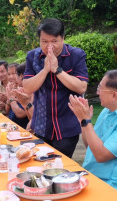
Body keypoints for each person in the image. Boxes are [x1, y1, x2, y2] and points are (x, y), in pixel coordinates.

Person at [68, 69, 117, 198]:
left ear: (114, 95)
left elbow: (101, 155)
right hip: (93, 178)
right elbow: (91, 148)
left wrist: (86, 121)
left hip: (111, 189)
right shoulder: (108, 110)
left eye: (100, 88)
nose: (98, 92)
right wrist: (82, 120)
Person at [23, 18, 88, 158]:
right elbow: (27, 88)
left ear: (63, 38)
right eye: (44, 42)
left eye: (54, 41)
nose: (49, 47)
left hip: (66, 127)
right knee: (40, 168)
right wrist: (45, 70)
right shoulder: (32, 56)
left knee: (59, 168)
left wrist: (57, 70)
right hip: (41, 126)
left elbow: (81, 87)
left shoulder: (76, 55)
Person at [6, 63, 29, 128]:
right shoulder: (14, 87)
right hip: (12, 125)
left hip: (22, 128)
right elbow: (7, 111)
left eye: (14, 73)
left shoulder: (27, 90)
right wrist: (8, 99)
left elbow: (20, 114)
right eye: (9, 74)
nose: (10, 77)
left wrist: (11, 98)